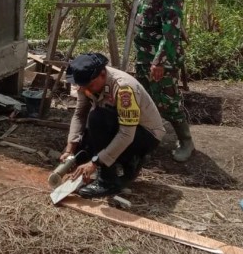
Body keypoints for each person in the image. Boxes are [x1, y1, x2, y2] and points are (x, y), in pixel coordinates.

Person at [61, 53, 165, 198]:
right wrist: (70, 149)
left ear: (103, 74)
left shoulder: (124, 88)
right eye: (84, 86)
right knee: (82, 150)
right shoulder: (87, 83)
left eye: (90, 85)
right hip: (121, 127)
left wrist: (95, 163)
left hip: (144, 135)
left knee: (97, 119)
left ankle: (108, 181)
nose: (87, 89)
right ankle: (129, 162)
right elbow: (80, 114)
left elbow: (126, 134)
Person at [134, 0, 193, 162]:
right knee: (144, 100)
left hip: (160, 60)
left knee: (168, 100)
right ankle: (147, 140)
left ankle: (186, 142)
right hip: (143, 56)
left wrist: (159, 62)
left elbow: (171, 32)